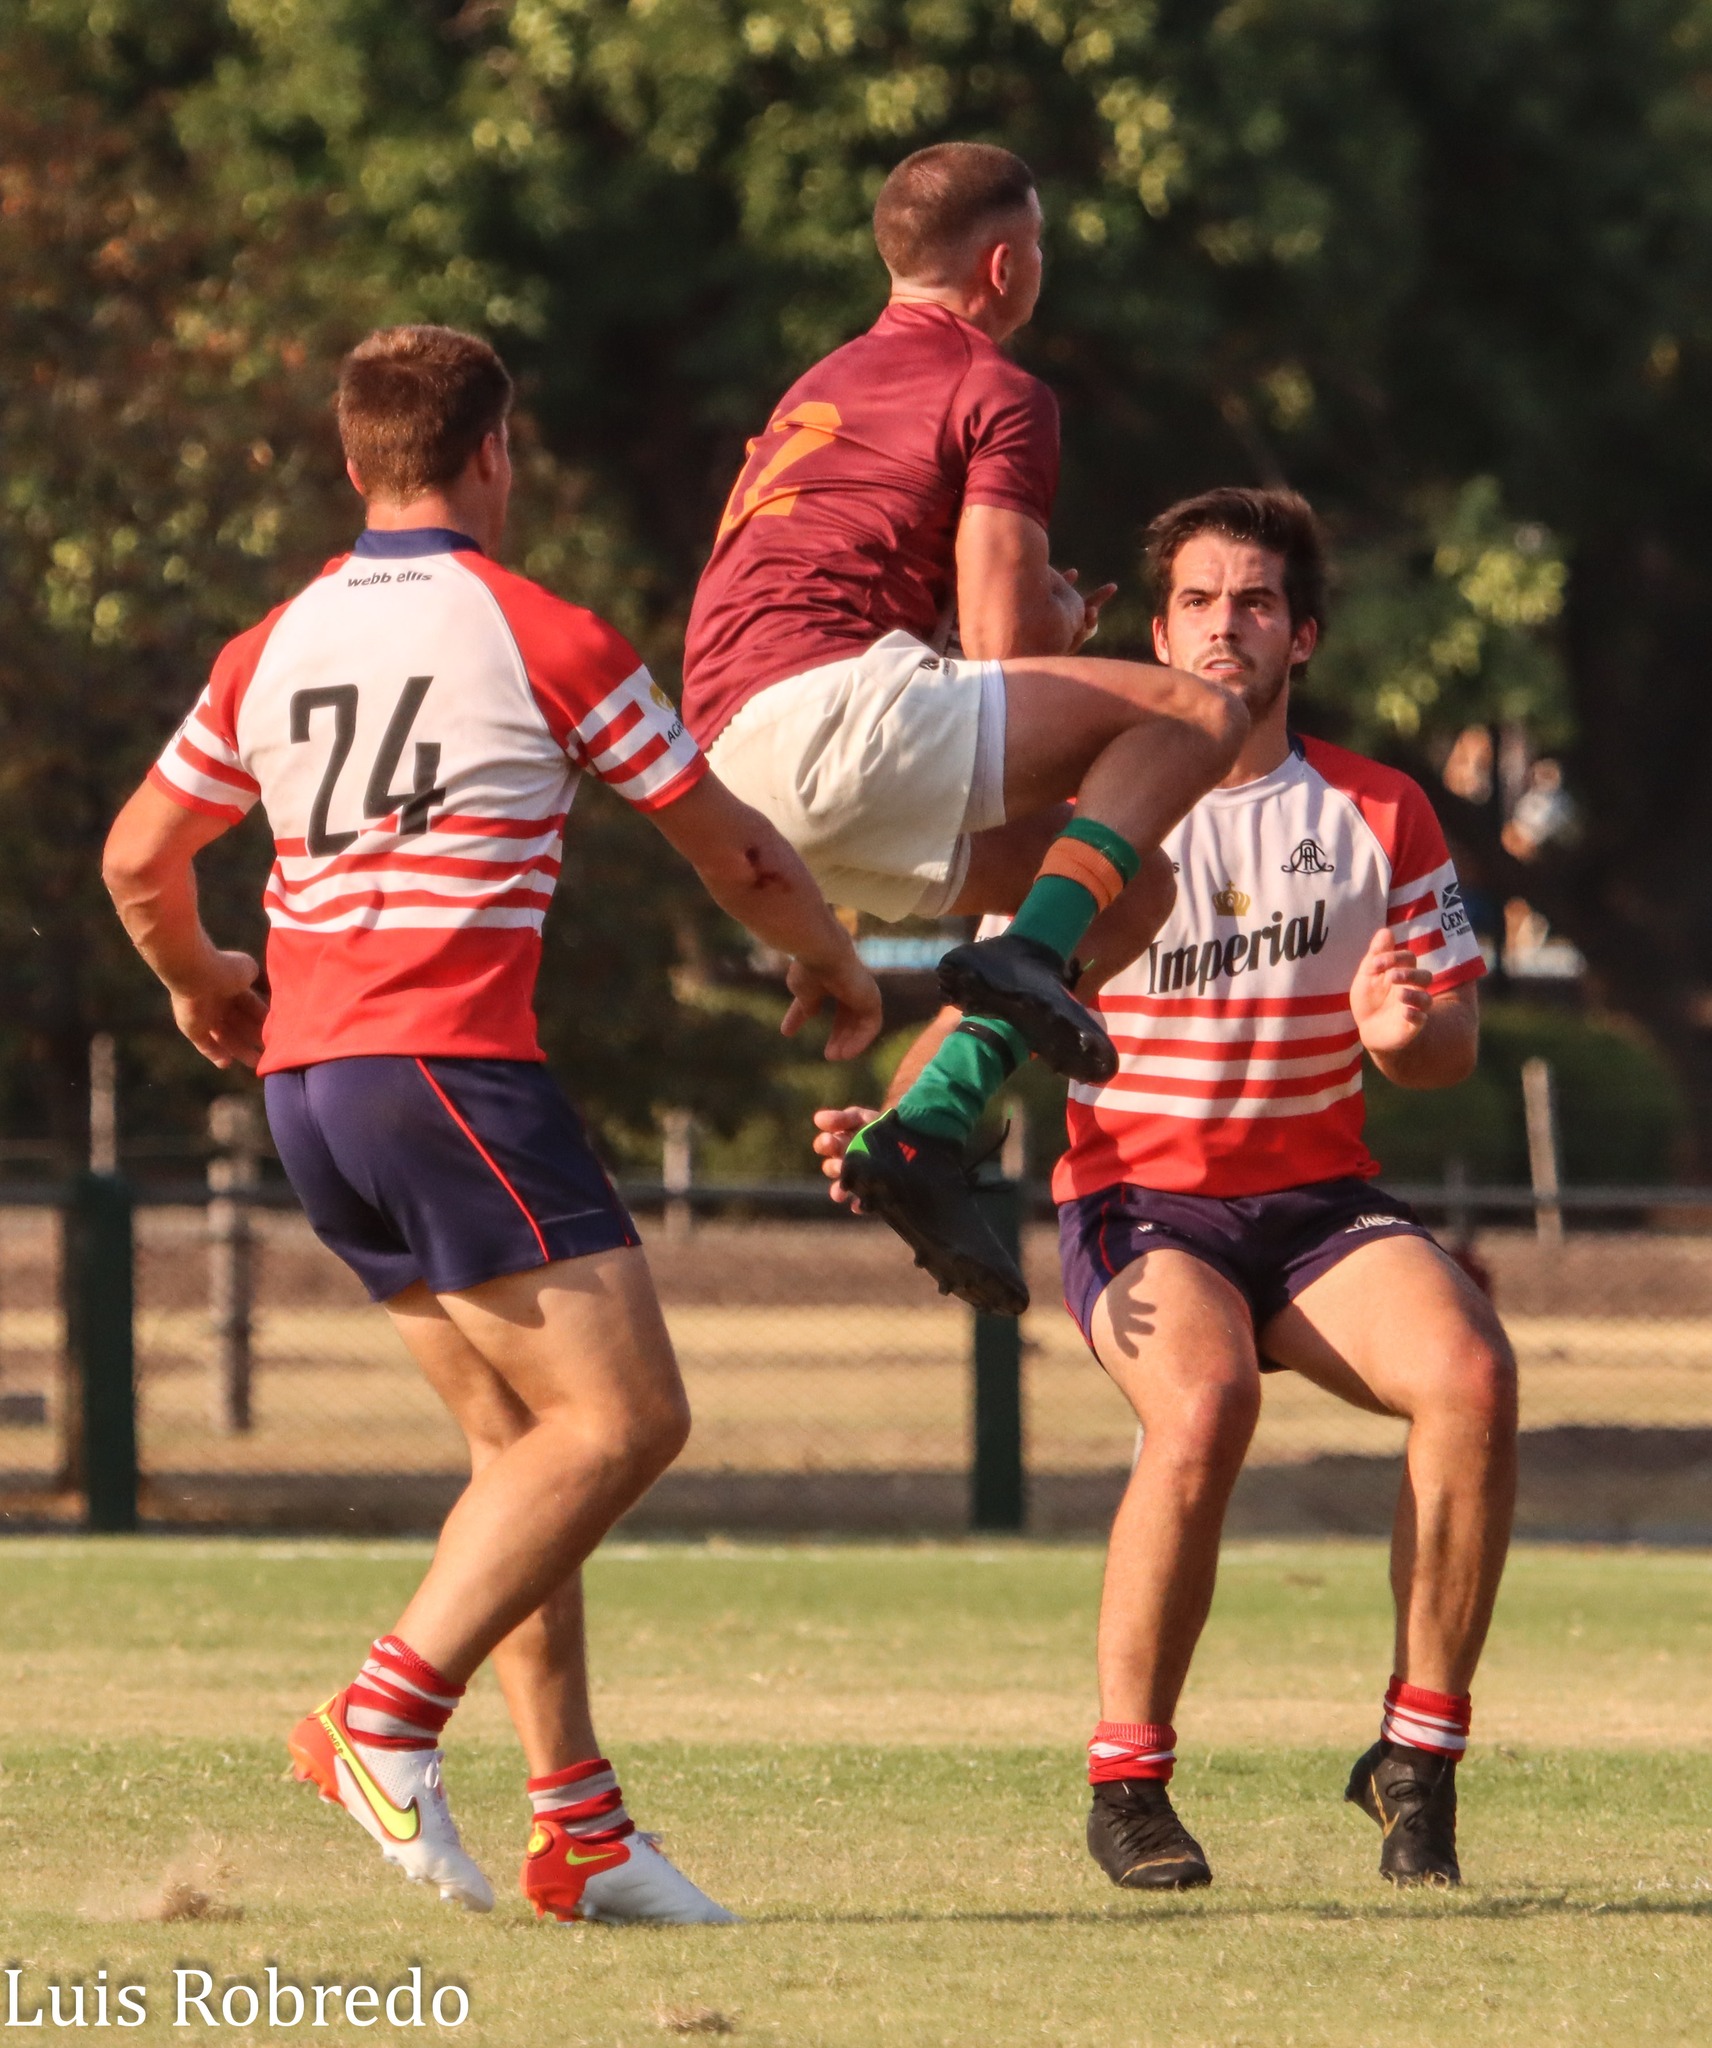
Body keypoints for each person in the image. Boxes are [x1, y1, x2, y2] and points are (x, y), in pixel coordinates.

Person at [103, 324, 881, 1927]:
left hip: (314, 1091)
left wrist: (202, 984)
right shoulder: (541, 632)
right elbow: (730, 853)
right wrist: (833, 968)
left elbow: (135, 858)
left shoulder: (271, 643)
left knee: (520, 1457)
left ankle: (579, 1828)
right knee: (627, 1423)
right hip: (448, 1066)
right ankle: (382, 1716)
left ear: (351, 460)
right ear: (494, 456)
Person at [814, 487, 1516, 1891]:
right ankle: (1129, 1784)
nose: (1223, 625)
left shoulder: (1382, 810)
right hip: (1146, 1206)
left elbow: (1449, 1043)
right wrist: (893, 1125)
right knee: (1207, 1405)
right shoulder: (1099, 819)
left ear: (1302, 634)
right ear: (1158, 626)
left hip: (1318, 1207)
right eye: (1196, 600)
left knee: (1475, 1378)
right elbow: (996, 1002)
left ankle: (1416, 1761)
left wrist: (1408, 1036)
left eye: (1254, 601)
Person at [682, 142, 1245, 1314]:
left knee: (1129, 890)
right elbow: (1000, 647)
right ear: (1003, 264)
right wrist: (1046, 617)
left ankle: (921, 1127)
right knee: (1197, 712)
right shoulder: (997, 388)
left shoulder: (817, 385)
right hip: (834, 710)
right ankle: (1024, 958)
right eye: (1037, 245)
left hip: (735, 768)